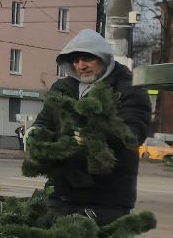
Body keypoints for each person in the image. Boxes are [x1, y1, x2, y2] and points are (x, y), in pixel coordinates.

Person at [34, 30, 152, 224]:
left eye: (87, 58)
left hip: (107, 200)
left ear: (103, 57)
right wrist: (34, 135)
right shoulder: (63, 89)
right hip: (60, 194)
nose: (81, 66)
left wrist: (96, 133)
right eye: (75, 60)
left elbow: (133, 132)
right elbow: (44, 123)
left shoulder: (128, 88)